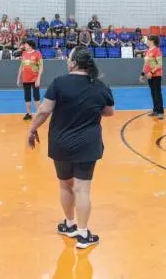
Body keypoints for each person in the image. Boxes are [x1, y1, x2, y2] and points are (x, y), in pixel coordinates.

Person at [27, 46, 114, 249]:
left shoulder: (59, 83)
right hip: (87, 144)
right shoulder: (99, 85)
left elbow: (44, 110)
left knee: (65, 185)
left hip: (61, 143)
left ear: (73, 63)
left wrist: (32, 130)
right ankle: (83, 234)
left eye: (69, 58)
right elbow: (109, 112)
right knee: (82, 188)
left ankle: (69, 224)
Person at [17, 40, 43, 120]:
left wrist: (38, 79)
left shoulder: (37, 53)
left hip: (35, 78)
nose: (24, 45)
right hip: (25, 79)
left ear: (30, 46)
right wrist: (18, 78)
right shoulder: (24, 53)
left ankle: (38, 114)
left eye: (26, 44)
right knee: (27, 96)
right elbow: (21, 67)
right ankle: (29, 114)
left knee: (36, 96)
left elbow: (41, 67)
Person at [141, 35, 164, 119]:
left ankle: (161, 112)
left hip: (156, 75)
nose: (146, 41)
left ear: (152, 41)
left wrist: (151, 72)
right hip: (149, 76)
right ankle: (155, 110)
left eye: (148, 40)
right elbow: (146, 64)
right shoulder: (148, 51)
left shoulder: (157, 50)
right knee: (153, 93)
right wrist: (142, 74)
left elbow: (160, 64)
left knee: (157, 93)